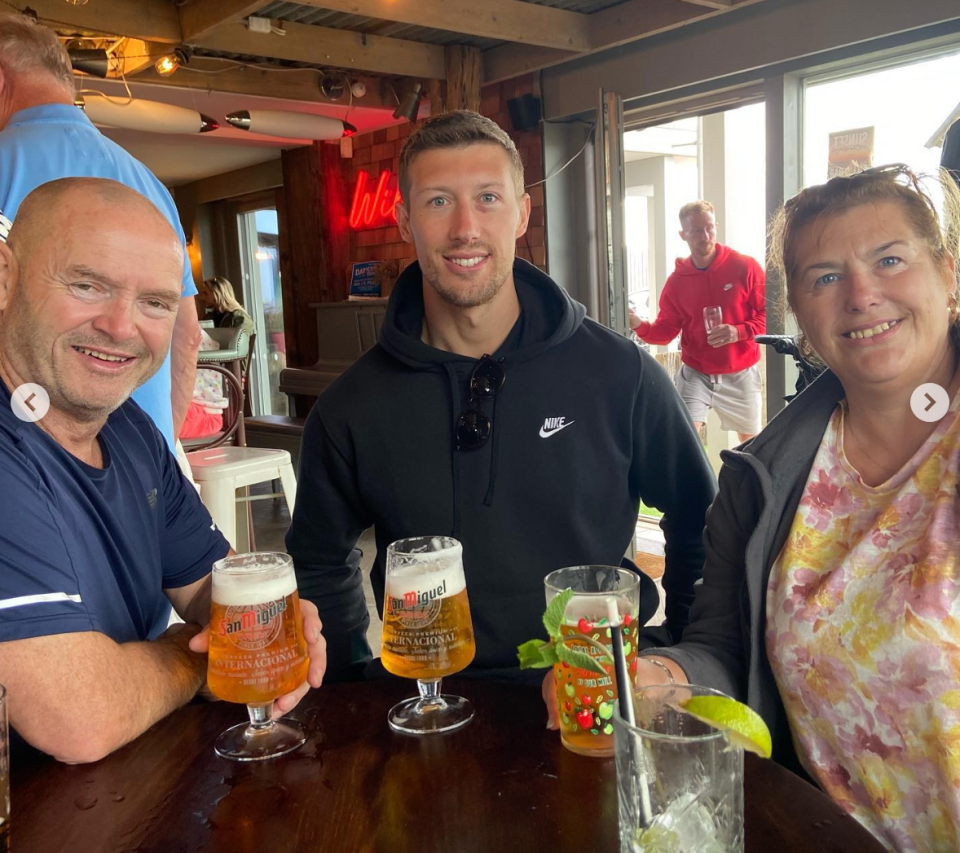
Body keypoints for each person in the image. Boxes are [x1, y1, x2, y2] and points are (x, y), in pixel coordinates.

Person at [287, 110, 717, 683]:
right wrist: (348, 684)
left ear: (522, 213)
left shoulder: (620, 372)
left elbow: (701, 521)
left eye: (488, 197)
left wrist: (678, 653)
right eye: (438, 201)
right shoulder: (351, 405)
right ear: (403, 219)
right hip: (425, 704)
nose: (465, 227)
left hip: (591, 699)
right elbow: (319, 559)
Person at [626, 165, 960, 852]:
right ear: (802, 316)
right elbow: (724, 646)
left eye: (890, 259)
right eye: (826, 276)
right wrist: (661, 676)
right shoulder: (760, 479)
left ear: (948, 273)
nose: (863, 295)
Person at [0, 178, 326, 764]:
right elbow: (79, 718)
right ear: (4, 276)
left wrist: (262, 624)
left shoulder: (128, 432)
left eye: (154, 301)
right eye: (86, 284)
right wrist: (201, 656)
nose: (121, 328)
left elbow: (209, 587)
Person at [0, 11, 200, 452]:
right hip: (146, 467)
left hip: (25, 470)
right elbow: (186, 334)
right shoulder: (149, 184)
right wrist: (161, 448)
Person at [631, 201, 765, 442]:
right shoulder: (677, 282)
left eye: (710, 228)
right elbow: (664, 332)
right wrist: (638, 324)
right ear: (683, 235)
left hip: (740, 371)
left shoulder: (745, 267)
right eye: (696, 231)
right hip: (697, 373)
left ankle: (741, 481)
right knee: (684, 441)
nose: (706, 236)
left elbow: (770, 316)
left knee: (751, 449)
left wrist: (739, 332)